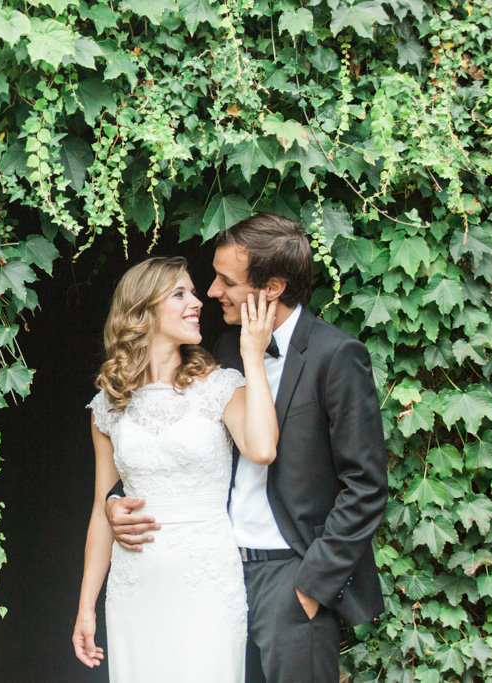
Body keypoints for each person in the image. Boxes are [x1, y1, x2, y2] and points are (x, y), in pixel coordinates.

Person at [106, 214, 389, 682]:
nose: (212, 291)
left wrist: (312, 586)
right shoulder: (223, 349)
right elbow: (179, 441)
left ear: (272, 287)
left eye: (225, 280)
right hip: (216, 568)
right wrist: (117, 503)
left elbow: (366, 486)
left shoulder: (336, 357)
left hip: (289, 575)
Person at [72, 255, 279, 682]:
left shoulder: (220, 386)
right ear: (143, 309)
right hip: (135, 586)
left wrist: (252, 357)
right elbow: (100, 510)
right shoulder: (108, 406)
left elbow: (261, 449)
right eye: (180, 293)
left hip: (207, 583)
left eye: (195, 292)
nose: (198, 301)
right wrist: (85, 606)